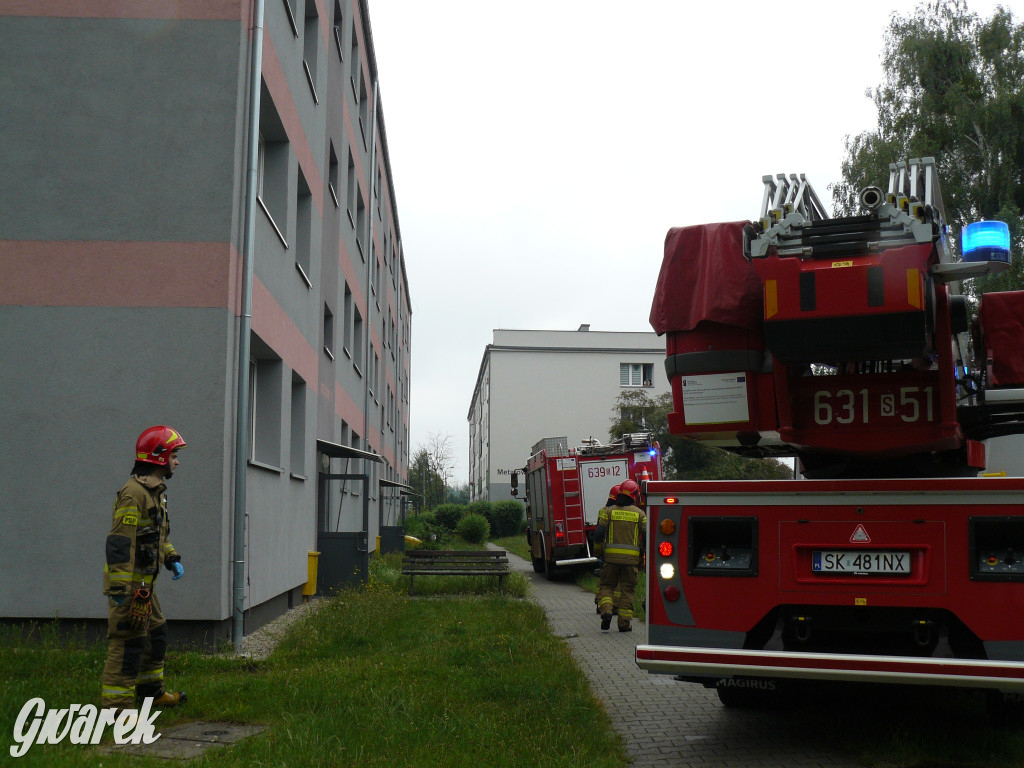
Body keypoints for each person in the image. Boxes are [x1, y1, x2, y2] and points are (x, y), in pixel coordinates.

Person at [101, 425, 188, 712]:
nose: (177, 461)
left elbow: (158, 535)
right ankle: (117, 707)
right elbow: (119, 543)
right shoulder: (133, 494)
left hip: (146, 588)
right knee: (128, 645)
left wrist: (171, 556)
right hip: (130, 588)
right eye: (174, 455)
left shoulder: (156, 492)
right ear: (159, 456)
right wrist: (119, 589)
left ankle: (152, 693)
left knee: (156, 636)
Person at [593, 479, 646, 632]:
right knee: (628, 591)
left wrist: (598, 552)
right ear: (634, 495)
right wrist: (644, 557)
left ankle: (607, 611)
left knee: (607, 586)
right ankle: (624, 624)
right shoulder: (640, 514)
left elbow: (598, 535)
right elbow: (647, 536)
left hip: (610, 559)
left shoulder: (609, 512)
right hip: (631, 562)